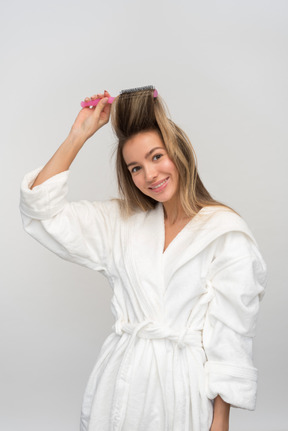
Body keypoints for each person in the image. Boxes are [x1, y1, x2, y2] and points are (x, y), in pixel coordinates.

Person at [19, 88, 267, 431]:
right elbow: (42, 213)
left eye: (156, 156)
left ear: (178, 152)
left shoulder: (226, 233)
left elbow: (232, 337)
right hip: (119, 386)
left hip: (183, 393)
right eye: (135, 167)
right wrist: (79, 135)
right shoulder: (122, 223)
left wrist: (220, 421)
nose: (150, 175)